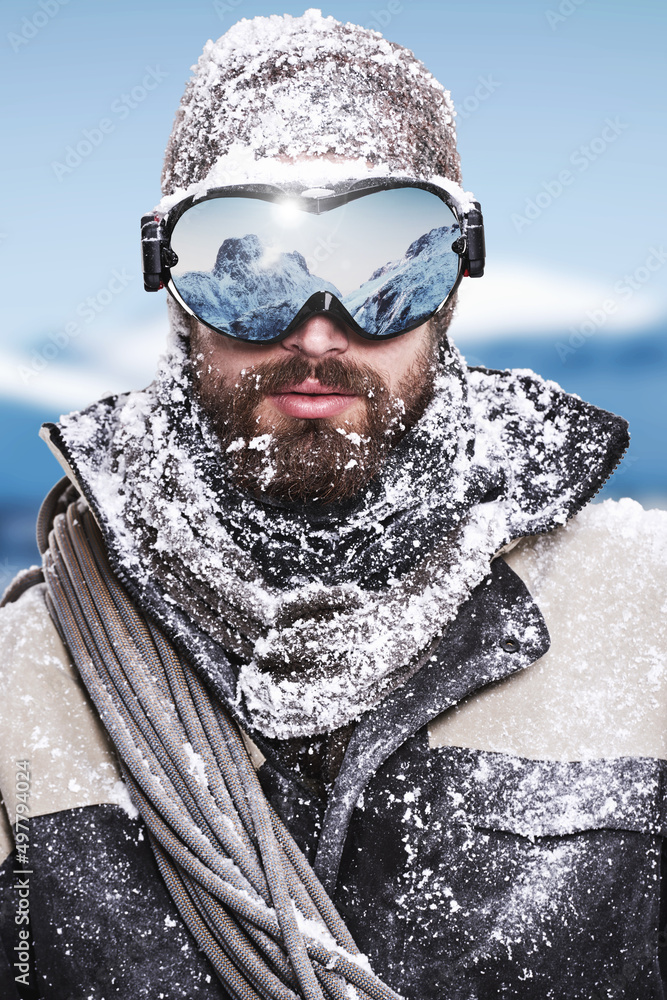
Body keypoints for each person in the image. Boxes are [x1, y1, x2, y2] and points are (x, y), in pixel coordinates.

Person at [1, 9, 665, 1000]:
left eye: (386, 265)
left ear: (454, 280)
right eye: (251, 268)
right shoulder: (27, 674)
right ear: (169, 282)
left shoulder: (647, 617)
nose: (318, 331)